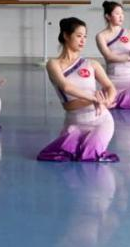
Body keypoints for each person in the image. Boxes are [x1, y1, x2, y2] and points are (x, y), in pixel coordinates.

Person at [37, 17, 119, 162]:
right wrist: (93, 98)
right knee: (66, 156)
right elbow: (66, 87)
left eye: (85, 37)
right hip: (74, 124)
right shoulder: (53, 64)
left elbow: (110, 87)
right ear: (66, 35)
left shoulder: (91, 63)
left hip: (101, 121)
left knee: (90, 156)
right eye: (79, 36)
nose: (83, 40)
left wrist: (107, 100)